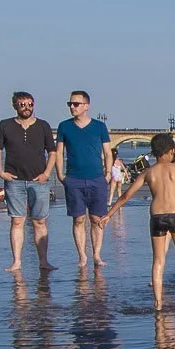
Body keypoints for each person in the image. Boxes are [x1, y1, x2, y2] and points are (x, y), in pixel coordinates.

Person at [110, 132, 175, 308]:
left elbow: (126, 196)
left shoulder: (148, 172)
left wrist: (108, 215)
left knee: (158, 260)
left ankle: (158, 302)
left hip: (157, 216)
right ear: (170, 151)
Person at [0, 91, 58, 272]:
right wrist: (0, 171)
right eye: (22, 104)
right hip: (14, 181)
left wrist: (47, 172)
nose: (26, 108)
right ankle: (16, 262)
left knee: (40, 221)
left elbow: (52, 151)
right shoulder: (5, 125)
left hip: (39, 180)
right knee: (17, 221)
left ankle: (44, 261)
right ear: (15, 106)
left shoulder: (43, 126)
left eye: (30, 104)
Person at [57, 90, 114, 270]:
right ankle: (82, 256)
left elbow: (107, 152)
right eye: (70, 104)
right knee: (78, 219)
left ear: (86, 106)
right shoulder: (64, 126)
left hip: (97, 178)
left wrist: (107, 174)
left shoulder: (99, 127)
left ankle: (97, 255)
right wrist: (60, 174)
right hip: (73, 179)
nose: (72, 107)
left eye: (76, 104)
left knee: (97, 219)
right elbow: (59, 152)